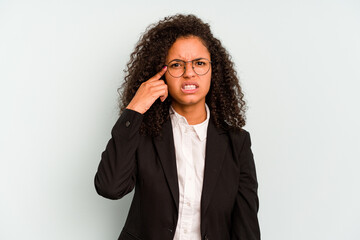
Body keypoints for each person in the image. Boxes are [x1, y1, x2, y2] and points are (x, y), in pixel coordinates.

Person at [94, 14, 260, 240]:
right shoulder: (143, 134)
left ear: (214, 70)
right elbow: (110, 187)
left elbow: (246, 227)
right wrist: (135, 109)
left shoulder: (236, 143)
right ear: (160, 73)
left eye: (199, 63)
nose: (189, 73)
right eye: (176, 65)